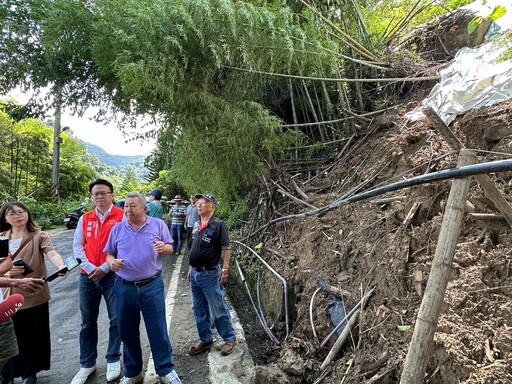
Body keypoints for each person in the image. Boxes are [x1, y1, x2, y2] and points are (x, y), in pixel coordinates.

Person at [105, 193, 181, 384]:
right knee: (127, 331)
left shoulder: (157, 225)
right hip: (124, 287)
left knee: (158, 329)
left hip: (152, 286)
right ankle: (132, 372)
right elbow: (109, 255)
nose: (128, 210)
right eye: (126, 207)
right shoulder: (117, 229)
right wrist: (112, 263)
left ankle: (165, 370)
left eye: (132, 206)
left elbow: (171, 247)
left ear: (144, 208)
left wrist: (164, 247)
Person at [0, 202, 66, 384]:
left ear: (28, 214)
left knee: (32, 334)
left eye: (21, 212)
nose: (17, 216)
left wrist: (60, 265)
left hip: (33, 293)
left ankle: (30, 372)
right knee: (9, 336)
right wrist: (6, 272)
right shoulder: (1, 238)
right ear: (5, 218)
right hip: (7, 295)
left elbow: (51, 253)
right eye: (12, 214)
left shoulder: (38, 236)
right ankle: (9, 374)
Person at [71, 179, 124, 384]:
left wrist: (104, 268)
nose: (100, 197)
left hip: (113, 276)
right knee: (87, 322)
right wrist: (92, 268)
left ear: (112, 195)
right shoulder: (85, 218)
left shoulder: (121, 217)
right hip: (88, 276)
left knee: (116, 319)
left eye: (104, 193)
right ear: (91, 197)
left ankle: (113, 358)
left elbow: (125, 246)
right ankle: (87, 363)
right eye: (96, 194)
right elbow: (78, 247)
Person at [188, 193, 237, 357]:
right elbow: (193, 247)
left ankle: (229, 338)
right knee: (198, 307)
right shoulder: (196, 224)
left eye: (204, 203)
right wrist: (190, 268)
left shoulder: (218, 225)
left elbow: (226, 248)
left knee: (217, 307)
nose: (200, 205)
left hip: (209, 273)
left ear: (212, 207)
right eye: (199, 202)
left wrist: (225, 269)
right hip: (195, 273)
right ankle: (206, 338)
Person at [0, 256, 45, 384]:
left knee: (7, 352)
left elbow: (7, 262)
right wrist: (15, 282)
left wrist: (8, 270)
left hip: (2, 313)